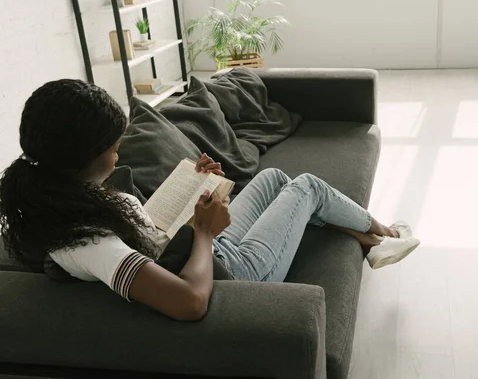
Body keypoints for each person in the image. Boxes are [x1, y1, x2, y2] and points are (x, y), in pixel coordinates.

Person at [0, 79, 420, 321]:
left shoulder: (64, 195)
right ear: (83, 156)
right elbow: (190, 303)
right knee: (306, 186)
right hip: (233, 270)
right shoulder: (86, 243)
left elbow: (147, 234)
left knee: (273, 175)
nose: (118, 154)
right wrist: (203, 232)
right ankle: (382, 236)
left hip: (202, 246)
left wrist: (195, 189)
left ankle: (376, 242)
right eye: (113, 147)